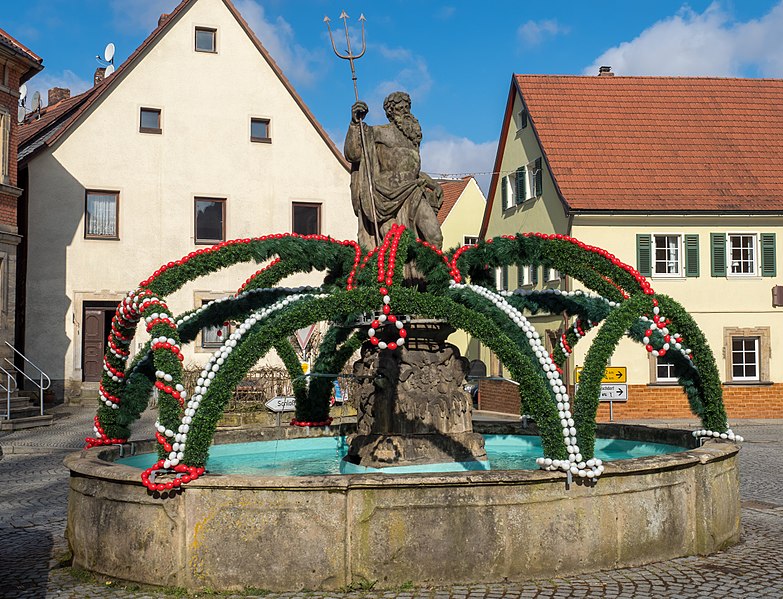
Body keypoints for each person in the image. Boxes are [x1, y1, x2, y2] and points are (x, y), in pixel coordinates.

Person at [344, 91, 443, 250]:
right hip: (386, 197)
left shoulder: (411, 139)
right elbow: (353, 154)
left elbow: (412, 171)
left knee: (435, 236)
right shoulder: (378, 132)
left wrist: (433, 184)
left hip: (413, 191)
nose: (405, 112)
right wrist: (355, 123)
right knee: (395, 245)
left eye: (407, 107)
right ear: (390, 112)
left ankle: (434, 267)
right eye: (400, 108)